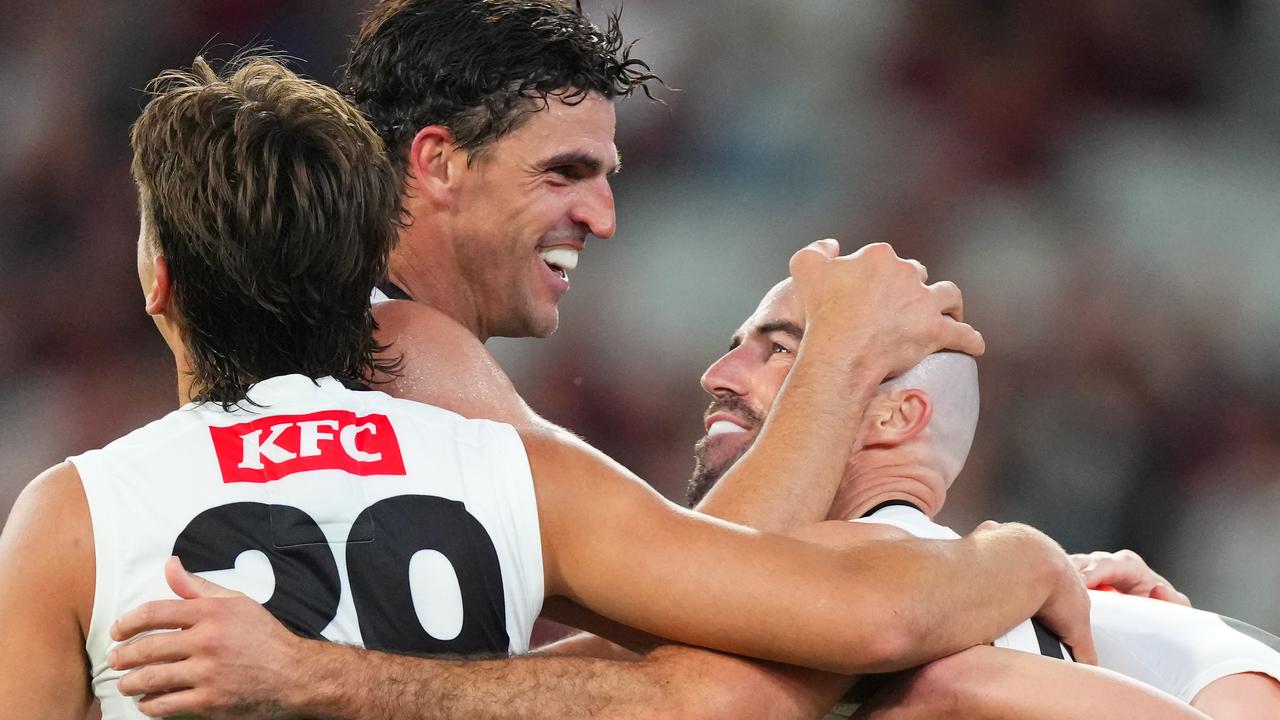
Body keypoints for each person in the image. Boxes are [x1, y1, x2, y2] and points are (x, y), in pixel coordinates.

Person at [0, 55, 1092, 720]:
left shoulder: (75, 517)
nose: (598, 216)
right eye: (566, 172)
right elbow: (805, 639)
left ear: (158, 281)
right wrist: (1025, 556)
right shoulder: (504, 467)